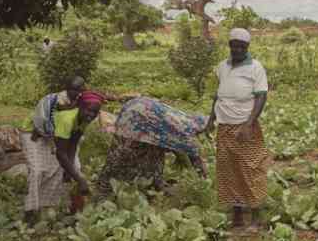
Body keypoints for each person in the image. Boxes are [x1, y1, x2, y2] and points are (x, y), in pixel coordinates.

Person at [204, 28, 269, 228]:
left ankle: (256, 215)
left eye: (242, 46)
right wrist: (210, 120)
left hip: (245, 127)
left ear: (247, 47)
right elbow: (218, 95)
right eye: (235, 46)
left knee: (250, 168)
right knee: (228, 171)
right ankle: (237, 215)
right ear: (230, 46)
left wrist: (249, 124)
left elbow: (261, 96)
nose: (238, 49)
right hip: (224, 127)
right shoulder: (222, 66)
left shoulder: (256, 67)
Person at [93, 96, 208, 200]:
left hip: (138, 108)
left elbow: (173, 143)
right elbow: (197, 162)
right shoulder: (187, 134)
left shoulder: (186, 121)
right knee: (123, 154)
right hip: (135, 118)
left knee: (153, 152)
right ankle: (104, 189)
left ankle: (152, 182)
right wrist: (204, 182)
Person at [20, 91, 104, 224]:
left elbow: (73, 144)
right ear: (80, 107)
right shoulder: (67, 119)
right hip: (33, 133)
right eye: (89, 111)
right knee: (37, 171)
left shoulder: (85, 118)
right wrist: (80, 180)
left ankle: (59, 205)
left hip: (55, 135)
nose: (91, 115)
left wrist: (70, 171)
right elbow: (60, 153)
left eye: (95, 113)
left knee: (73, 168)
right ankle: (30, 212)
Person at [29, 76, 85, 142]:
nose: (75, 93)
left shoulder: (79, 98)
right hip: (46, 120)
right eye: (72, 90)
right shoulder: (58, 97)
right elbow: (59, 108)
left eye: (78, 90)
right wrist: (74, 106)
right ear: (67, 89)